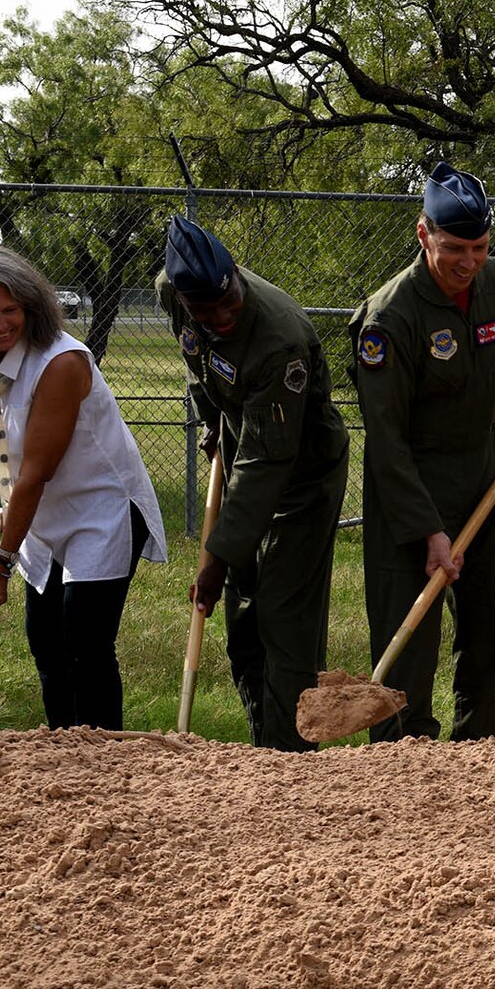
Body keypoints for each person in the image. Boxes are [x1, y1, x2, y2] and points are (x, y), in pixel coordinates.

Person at [349, 161, 495, 741]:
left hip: (480, 479)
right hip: (408, 491)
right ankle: (404, 767)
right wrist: (427, 530)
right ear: (422, 234)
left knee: (491, 626)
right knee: (408, 644)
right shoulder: (389, 319)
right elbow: (386, 443)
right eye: (454, 248)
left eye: (480, 247)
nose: (468, 262)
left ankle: (481, 754)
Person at [0, 241, 166, 729]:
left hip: (103, 511)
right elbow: (18, 455)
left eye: (10, 310)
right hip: (45, 510)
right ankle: (60, 753)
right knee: (47, 641)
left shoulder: (62, 363)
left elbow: (39, 470)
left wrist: (0, 564)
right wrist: (12, 508)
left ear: (31, 305)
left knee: (85, 642)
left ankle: (105, 756)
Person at [158, 216, 350, 751]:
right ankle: (260, 745)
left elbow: (270, 463)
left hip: (302, 475)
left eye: (230, 304)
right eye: (205, 311)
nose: (221, 317)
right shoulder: (174, 294)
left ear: (236, 278)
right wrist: (212, 420)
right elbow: (198, 360)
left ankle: (290, 758)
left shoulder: (278, 339)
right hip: (245, 442)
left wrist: (216, 556)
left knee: (285, 618)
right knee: (243, 617)